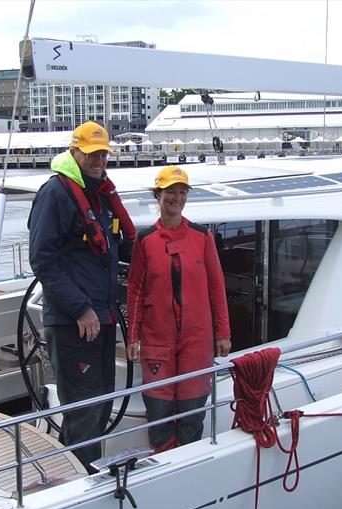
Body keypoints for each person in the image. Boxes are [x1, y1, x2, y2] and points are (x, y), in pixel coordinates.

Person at [28, 121, 136, 472]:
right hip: (74, 324)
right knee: (85, 408)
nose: (98, 160)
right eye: (91, 154)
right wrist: (80, 309)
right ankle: (80, 485)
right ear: (74, 152)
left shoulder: (99, 195)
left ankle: (76, 476)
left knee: (100, 404)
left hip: (101, 320)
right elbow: (42, 260)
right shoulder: (55, 194)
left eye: (103, 153)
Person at [126, 166, 231, 452]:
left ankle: (188, 460)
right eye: (171, 192)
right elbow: (134, 290)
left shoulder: (201, 236)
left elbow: (216, 287)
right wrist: (132, 337)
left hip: (197, 341)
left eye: (182, 192)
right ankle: (162, 463)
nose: (177, 198)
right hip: (157, 340)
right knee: (158, 411)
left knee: (191, 410)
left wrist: (223, 333)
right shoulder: (145, 241)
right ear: (158, 195)